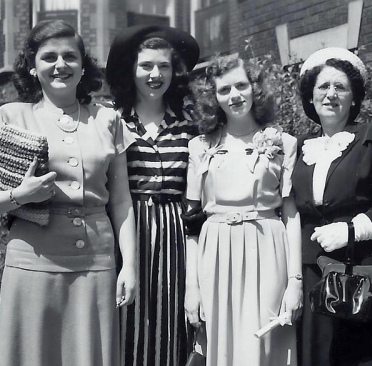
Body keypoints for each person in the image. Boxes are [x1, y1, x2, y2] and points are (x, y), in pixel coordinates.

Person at [0, 20, 137, 366]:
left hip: (95, 263)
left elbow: (121, 201)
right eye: (48, 57)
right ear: (32, 67)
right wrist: (19, 196)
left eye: (69, 56)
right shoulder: (11, 117)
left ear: (82, 66)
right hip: (32, 263)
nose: (60, 64)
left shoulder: (107, 120)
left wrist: (130, 266)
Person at [184, 54, 302, 366]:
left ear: (255, 89)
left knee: (263, 344)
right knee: (219, 346)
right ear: (214, 98)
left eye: (241, 86)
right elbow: (192, 224)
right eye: (224, 90)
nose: (234, 95)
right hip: (216, 254)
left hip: (267, 249)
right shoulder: (200, 146)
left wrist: (295, 281)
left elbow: (290, 215)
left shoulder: (284, 143)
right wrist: (191, 286)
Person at [292, 47, 372, 366]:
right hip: (313, 271)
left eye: (340, 87)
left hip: (360, 268)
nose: (331, 94)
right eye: (323, 86)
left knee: (360, 356)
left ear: (354, 97)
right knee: (317, 355)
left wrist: (353, 229)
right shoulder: (297, 146)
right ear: (310, 97)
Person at [105, 25, 200, 366]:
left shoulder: (191, 127)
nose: (155, 74)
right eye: (146, 66)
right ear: (131, 71)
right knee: (127, 321)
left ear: (175, 73)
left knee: (172, 322)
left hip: (176, 233)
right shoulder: (114, 122)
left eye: (164, 66)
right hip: (129, 227)